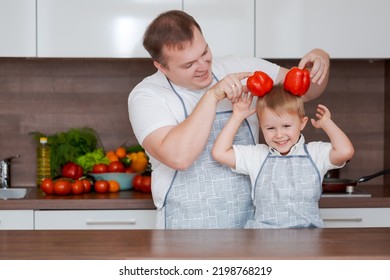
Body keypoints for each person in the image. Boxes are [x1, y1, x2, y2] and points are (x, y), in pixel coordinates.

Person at [128, 10, 330, 229]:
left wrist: (321, 58)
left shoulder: (237, 66)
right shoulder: (146, 96)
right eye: (189, 65)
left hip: (252, 223)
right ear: (161, 66)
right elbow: (179, 157)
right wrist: (213, 95)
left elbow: (306, 90)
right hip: (185, 227)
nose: (203, 66)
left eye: (205, 52)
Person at [212, 84, 354, 228]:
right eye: (270, 128)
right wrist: (237, 117)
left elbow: (345, 152)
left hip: (308, 242)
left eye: (286, 126)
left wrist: (327, 123)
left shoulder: (314, 153)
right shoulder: (257, 156)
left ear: (302, 123)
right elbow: (220, 153)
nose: (279, 135)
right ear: (261, 127)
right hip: (264, 241)